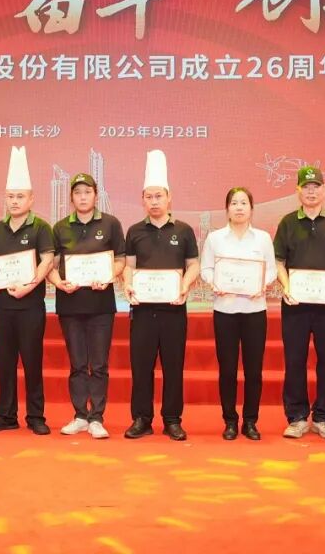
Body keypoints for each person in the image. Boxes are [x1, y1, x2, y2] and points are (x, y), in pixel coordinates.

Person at [123, 150, 200, 441]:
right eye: (149, 197)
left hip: (173, 309)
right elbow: (129, 267)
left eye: (159, 196)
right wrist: (127, 283)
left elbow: (193, 265)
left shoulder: (183, 230)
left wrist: (184, 285)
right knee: (141, 367)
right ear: (143, 200)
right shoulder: (134, 231)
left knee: (173, 367)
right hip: (142, 310)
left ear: (169, 198)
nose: (154, 201)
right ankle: (141, 419)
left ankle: (172, 420)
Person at [273, 165, 325, 440]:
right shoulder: (287, 222)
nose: (311, 192)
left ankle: (323, 417)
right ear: (298, 191)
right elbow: (279, 261)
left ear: (324, 190)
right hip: (295, 304)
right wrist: (286, 287)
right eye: (306, 187)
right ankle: (296, 417)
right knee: (295, 360)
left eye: (315, 187)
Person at [0, 147, 56, 435]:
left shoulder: (41, 227)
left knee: (32, 360)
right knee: (4, 362)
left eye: (20, 196)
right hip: (1, 307)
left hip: (30, 307)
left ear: (31, 199)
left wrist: (29, 286)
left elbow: (47, 261)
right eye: (10, 196)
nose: (14, 201)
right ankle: (6, 415)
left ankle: (36, 416)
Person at [48, 173, 126, 440]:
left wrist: (108, 276)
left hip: (101, 305)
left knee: (99, 364)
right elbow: (50, 264)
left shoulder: (111, 223)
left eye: (87, 192)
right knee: (78, 364)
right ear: (71, 197)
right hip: (70, 304)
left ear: (96, 195)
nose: (82, 197)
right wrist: (59, 283)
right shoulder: (60, 227)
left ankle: (97, 418)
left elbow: (121, 260)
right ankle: (81, 415)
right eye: (78, 193)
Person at [200, 187, 277, 441]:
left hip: (255, 311)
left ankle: (251, 421)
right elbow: (206, 269)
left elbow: (271, 270)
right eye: (234, 203)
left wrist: (262, 284)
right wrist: (215, 283)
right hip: (225, 310)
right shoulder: (215, 238)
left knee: (254, 370)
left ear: (251, 209)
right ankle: (230, 421)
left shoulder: (262, 238)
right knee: (228, 370)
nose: (239, 207)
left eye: (244, 203)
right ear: (227, 209)